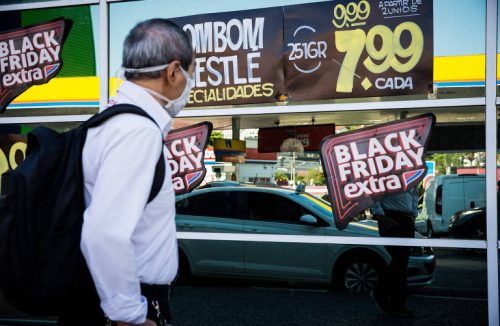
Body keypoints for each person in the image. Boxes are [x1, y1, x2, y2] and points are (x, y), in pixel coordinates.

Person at [57, 19, 194, 326]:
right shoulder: (136, 131)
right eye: (190, 74)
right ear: (173, 71)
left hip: (99, 299)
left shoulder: (111, 118)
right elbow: (103, 234)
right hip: (127, 310)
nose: (189, 84)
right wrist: (129, 316)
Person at [369, 187, 419, 318]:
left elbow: (414, 193)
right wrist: (381, 217)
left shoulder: (410, 173)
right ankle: (384, 295)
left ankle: (395, 303)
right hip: (391, 218)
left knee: (401, 264)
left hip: (406, 220)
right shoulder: (385, 173)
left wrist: (413, 214)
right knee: (399, 262)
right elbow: (373, 193)